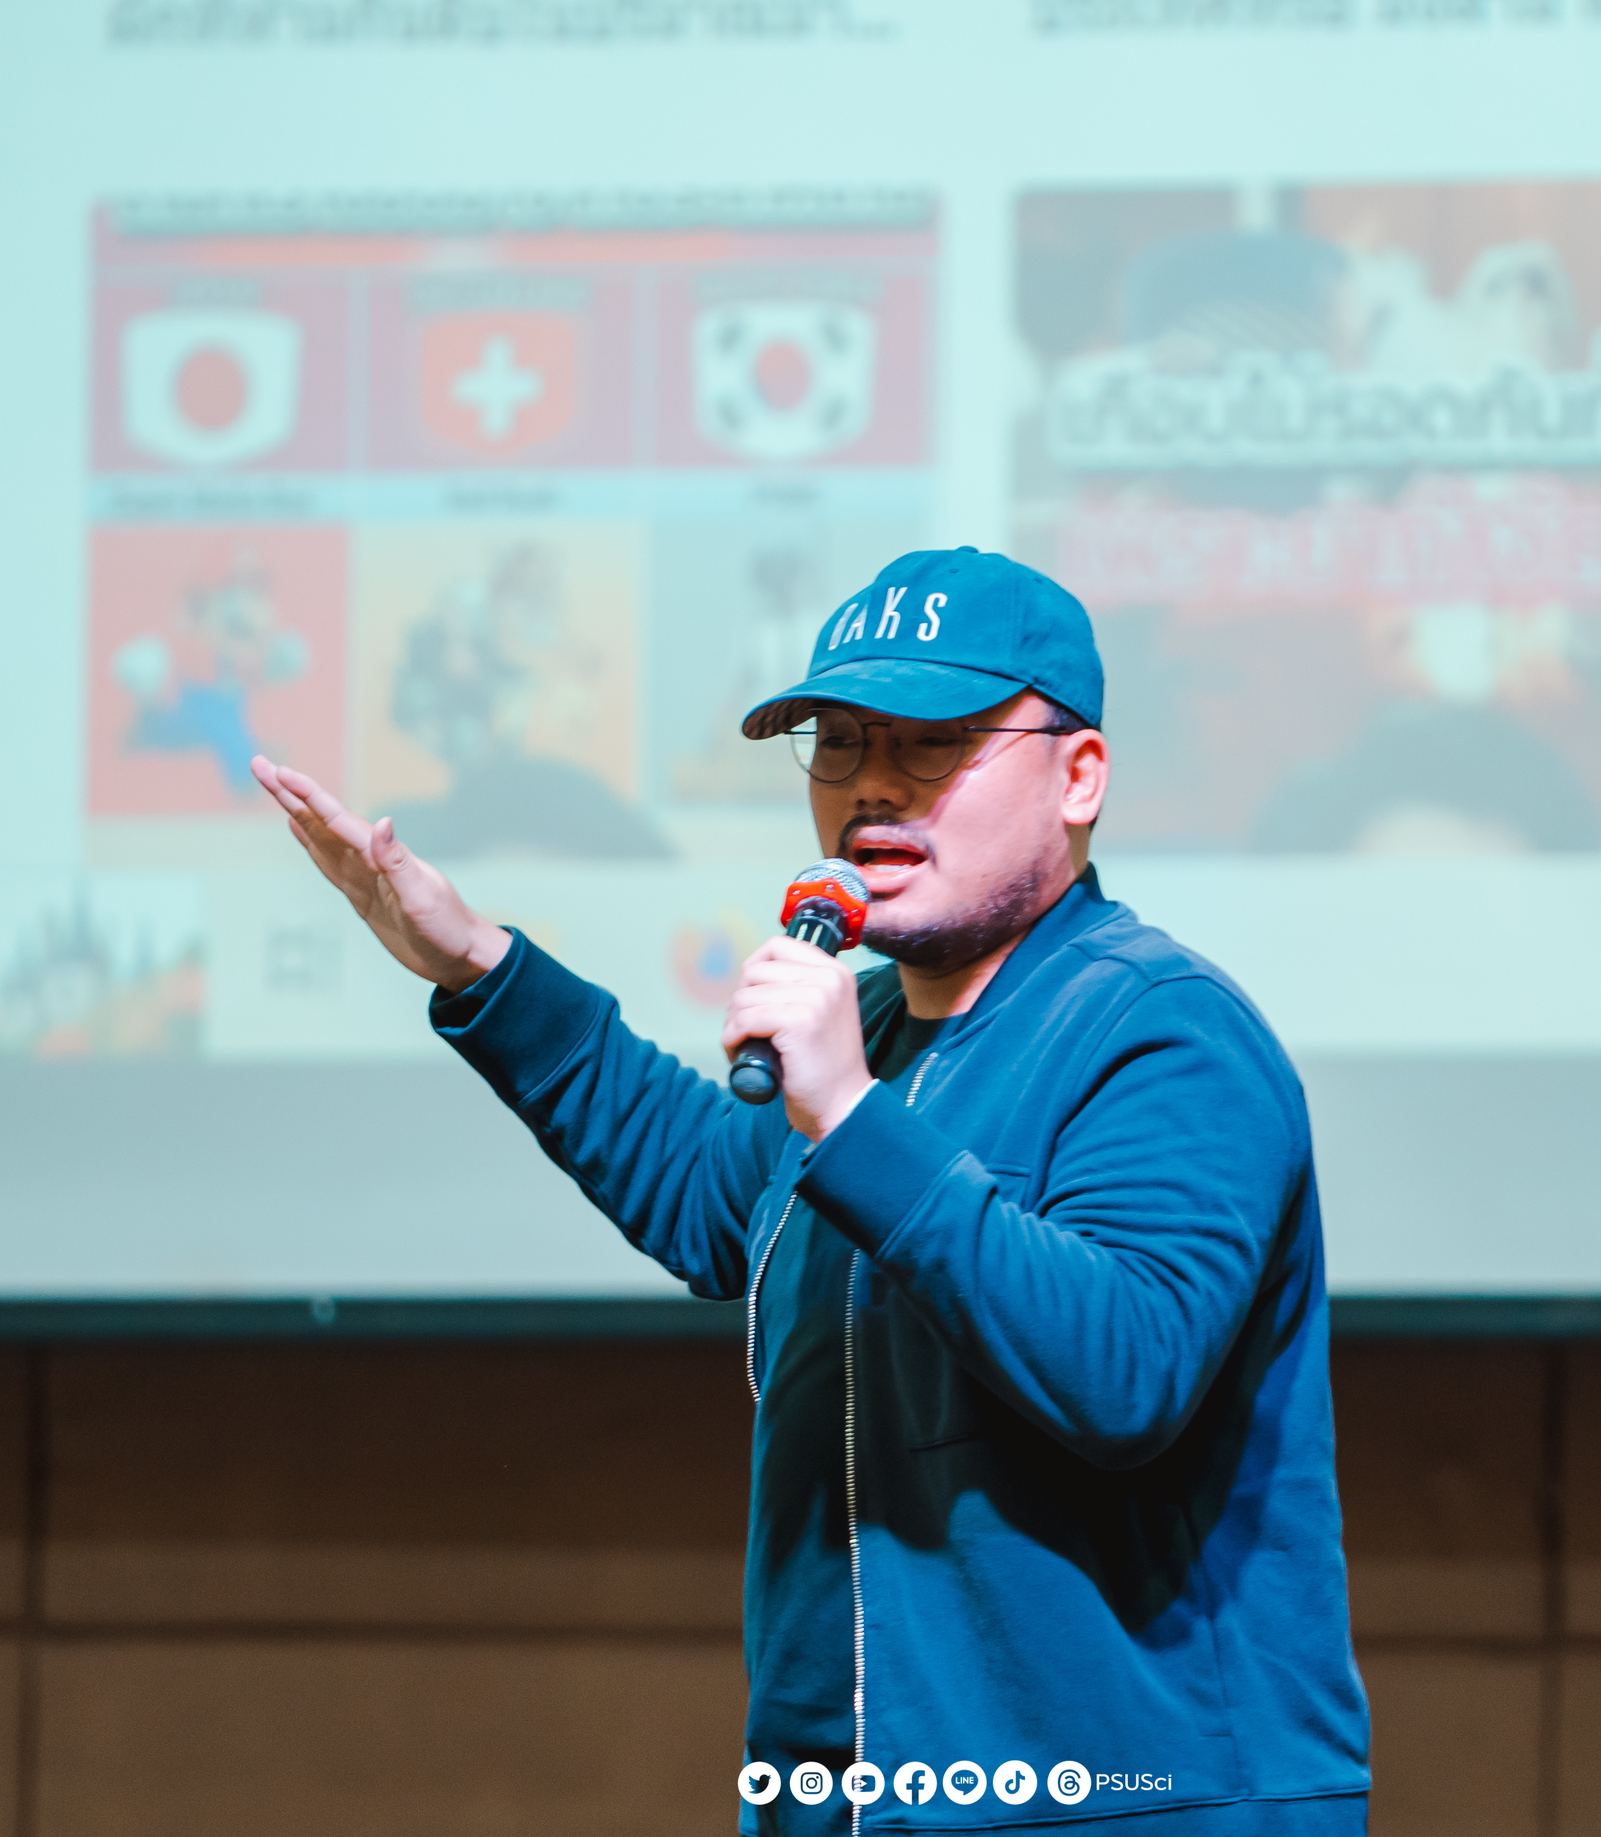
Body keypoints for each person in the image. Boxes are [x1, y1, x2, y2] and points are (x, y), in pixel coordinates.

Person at [251, 547, 1370, 1834]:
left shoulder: (1163, 1031)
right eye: (838, 741)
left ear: (1079, 776)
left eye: (933, 742)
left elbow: (1123, 1368)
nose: (873, 784)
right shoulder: (873, 1027)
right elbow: (708, 1189)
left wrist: (848, 1116)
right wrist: (479, 969)